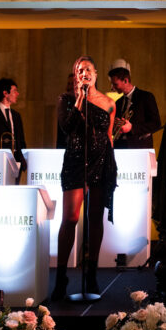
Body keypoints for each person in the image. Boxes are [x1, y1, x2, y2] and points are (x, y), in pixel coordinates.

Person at [52, 56, 116, 299]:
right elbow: (67, 128)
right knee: (70, 217)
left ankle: (91, 273)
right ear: (76, 75)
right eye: (79, 70)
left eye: (88, 69)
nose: (84, 73)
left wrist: (111, 166)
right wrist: (80, 98)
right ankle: (61, 277)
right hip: (76, 161)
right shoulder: (66, 100)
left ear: (96, 73)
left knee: (95, 218)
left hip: (101, 162)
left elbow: (109, 135)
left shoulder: (109, 103)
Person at [108, 65, 161, 149]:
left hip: (139, 148)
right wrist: (115, 125)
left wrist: (132, 128)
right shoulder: (118, 102)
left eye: (115, 84)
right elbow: (115, 131)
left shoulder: (146, 97)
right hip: (120, 147)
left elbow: (156, 124)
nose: (112, 88)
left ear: (125, 80)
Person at [56, 71, 77, 150]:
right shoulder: (64, 102)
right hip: (64, 146)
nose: (70, 87)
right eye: (69, 84)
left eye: (72, 84)